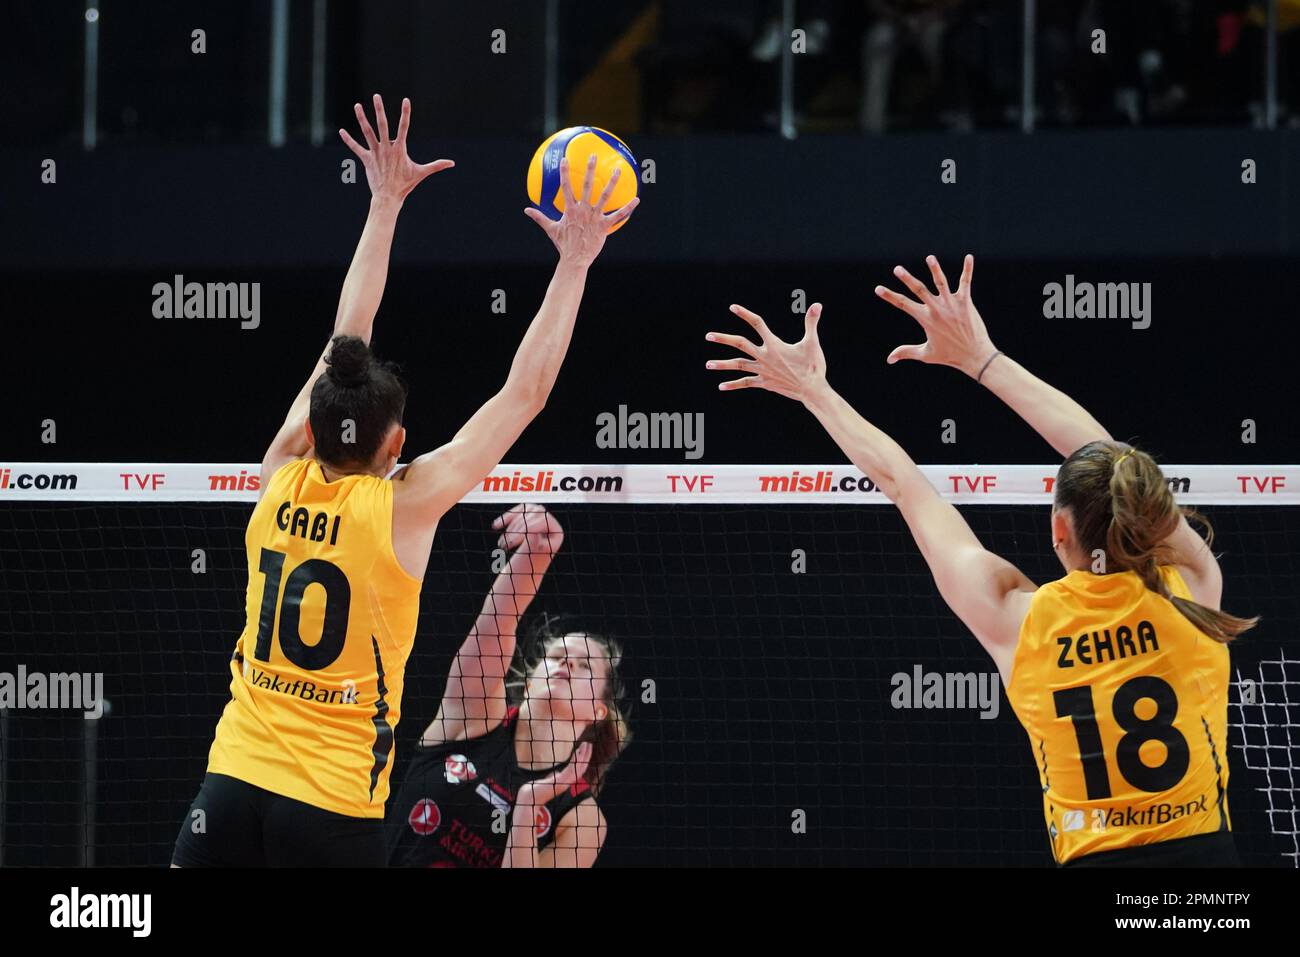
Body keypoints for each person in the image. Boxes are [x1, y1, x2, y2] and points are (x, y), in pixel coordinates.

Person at [171, 94, 637, 867]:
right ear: (398, 446)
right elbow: (525, 394)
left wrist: (382, 203)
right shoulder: (404, 506)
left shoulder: (277, 472)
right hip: (329, 805)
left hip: (232, 780)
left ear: (316, 425)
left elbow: (344, 340)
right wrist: (576, 262)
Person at [706, 253, 1256, 866]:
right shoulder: (1193, 591)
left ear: (1057, 531)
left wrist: (814, 391)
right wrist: (982, 359)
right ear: (1144, 507)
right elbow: (1110, 458)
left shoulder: (1015, 618)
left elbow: (903, 484)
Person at [387, 504, 629, 867]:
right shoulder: (474, 719)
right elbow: (496, 621)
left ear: (598, 710)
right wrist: (536, 555)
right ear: (530, 680)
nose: (566, 664)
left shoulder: (582, 821)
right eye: (558, 656)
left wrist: (528, 806)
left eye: (584, 665)